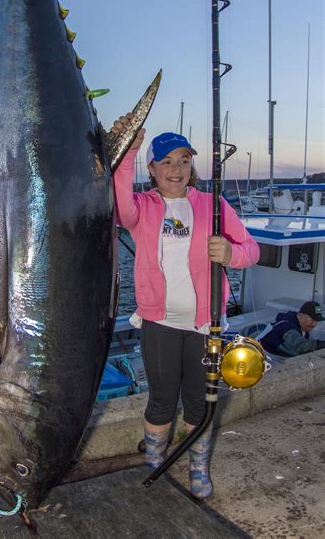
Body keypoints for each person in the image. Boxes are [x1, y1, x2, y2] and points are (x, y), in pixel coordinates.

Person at [111, 115, 260, 499]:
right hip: (158, 322)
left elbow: (252, 251)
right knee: (161, 400)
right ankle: (155, 461)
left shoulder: (213, 204)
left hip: (205, 326)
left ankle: (198, 466)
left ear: (192, 165)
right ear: (153, 169)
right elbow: (118, 206)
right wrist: (127, 150)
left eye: (184, 160)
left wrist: (230, 253)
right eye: (166, 162)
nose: (176, 169)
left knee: (199, 401)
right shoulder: (142, 207)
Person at [258, 301, 325, 357]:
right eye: (312, 319)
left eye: (317, 320)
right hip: (260, 358)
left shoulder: (302, 328)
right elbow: (302, 346)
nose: (314, 324)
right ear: (301, 315)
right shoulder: (286, 327)